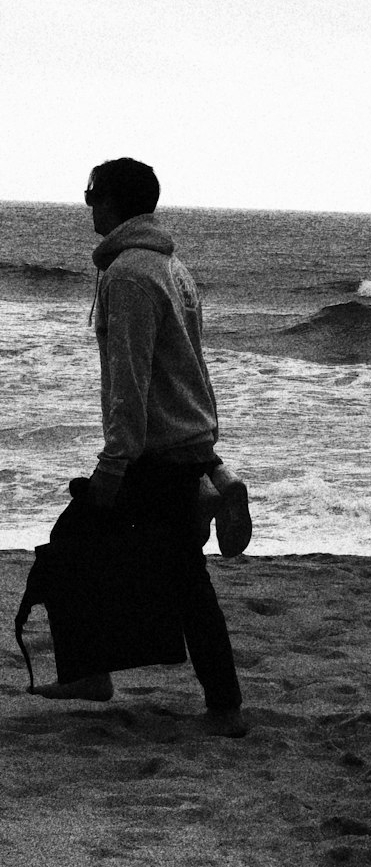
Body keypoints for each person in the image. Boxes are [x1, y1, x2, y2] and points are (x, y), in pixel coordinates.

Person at [34, 158, 251, 737]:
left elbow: (128, 378)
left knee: (90, 548)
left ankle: (220, 708)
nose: (86, 206)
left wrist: (113, 465)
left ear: (111, 203)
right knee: (150, 563)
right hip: (188, 440)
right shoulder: (170, 266)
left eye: (90, 195)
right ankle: (216, 482)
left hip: (154, 451)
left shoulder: (128, 275)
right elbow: (189, 362)